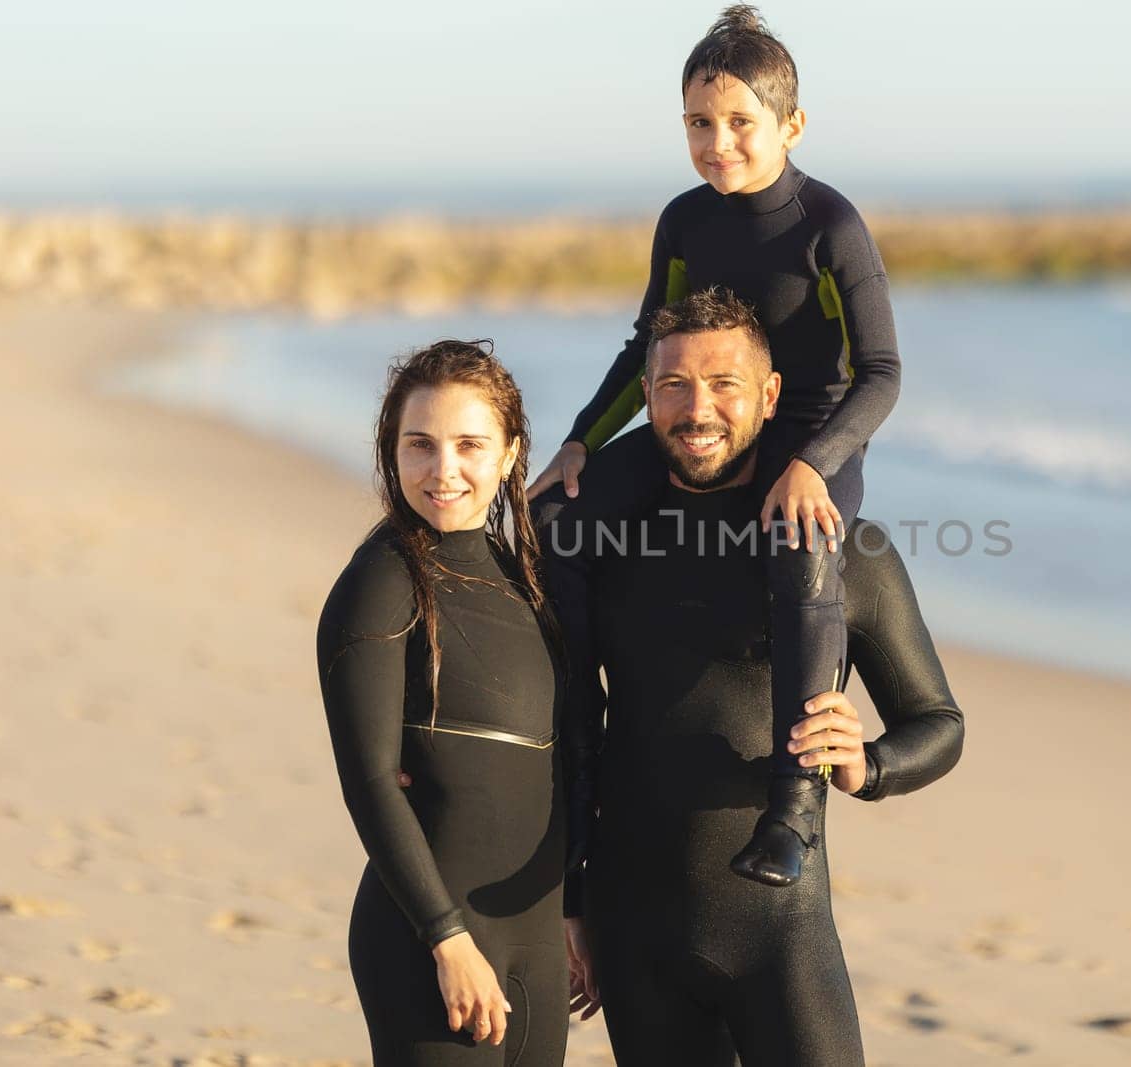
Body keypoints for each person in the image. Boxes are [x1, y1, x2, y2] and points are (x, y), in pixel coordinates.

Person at [529, 4, 902, 888]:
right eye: (700, 122)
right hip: (698, 427)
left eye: (741, 121)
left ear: (791, 124)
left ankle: (794, 804)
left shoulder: (830, 226)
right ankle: (577, 734)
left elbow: (882, 372)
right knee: (554, 514)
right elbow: (648, 345)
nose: (718, 141)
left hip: (811, 434)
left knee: (799, 543)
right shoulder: (685, 221)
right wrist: (582, 439)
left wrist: (815, 462)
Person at [546, 290, 962, 1065]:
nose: (696, 409)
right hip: (634, 933)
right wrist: (572, 904)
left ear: (770, 397)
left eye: (723, 383)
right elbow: (558, 720)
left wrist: (867, 763)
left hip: (781, 936)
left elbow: (939, 724)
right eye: (672, 385)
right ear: (645, 395)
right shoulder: (600, 549)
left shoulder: (844, 551)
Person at [316, 340, 567, 1065]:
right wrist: (446, 937)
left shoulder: (525, 576)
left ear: (511, 451)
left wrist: (577, 914)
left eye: (469, 444)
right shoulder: (381, 582)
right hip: (429, 939)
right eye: (420, 444)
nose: (444, 470)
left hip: (538, 941)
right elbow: (369, 783)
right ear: (390, 450)